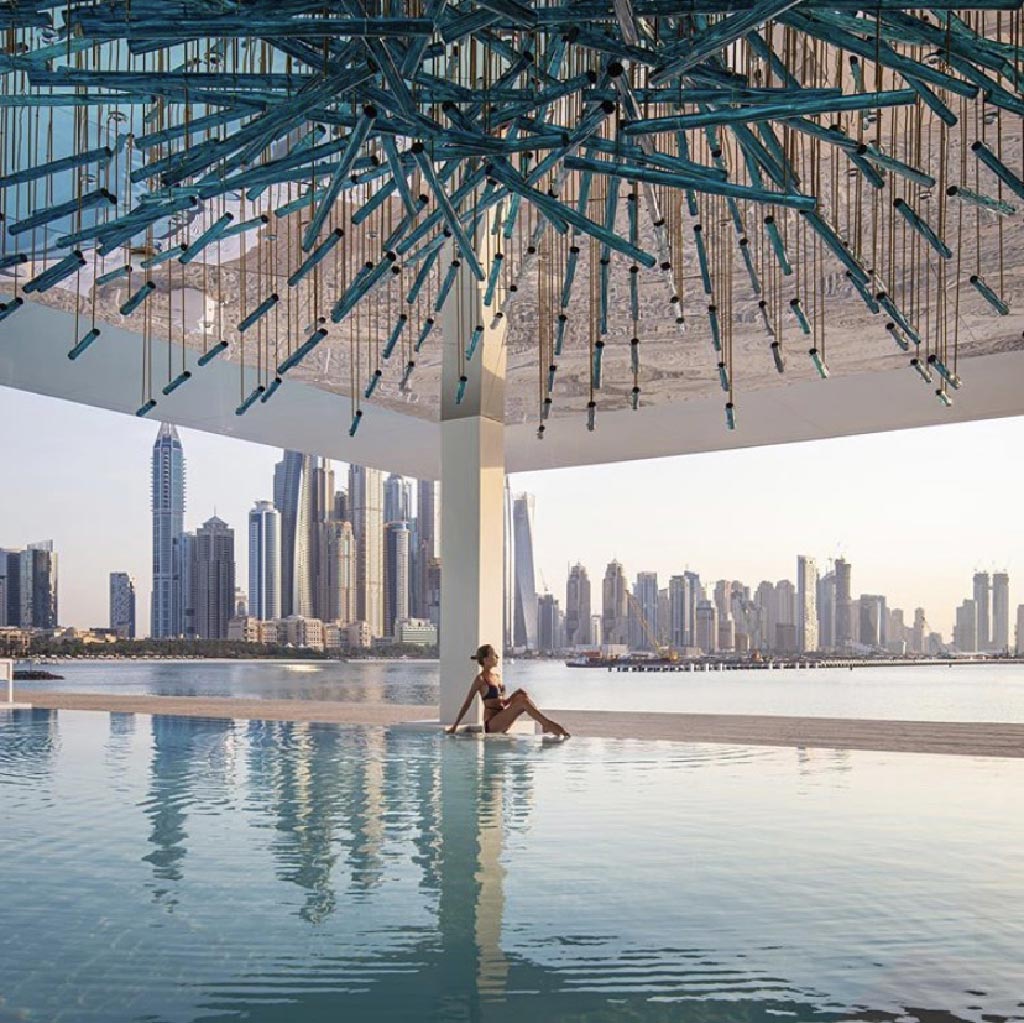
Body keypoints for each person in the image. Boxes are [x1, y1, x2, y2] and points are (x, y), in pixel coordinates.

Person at [446, 644, 570, 738]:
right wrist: (455, 726)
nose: (497, 657)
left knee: (522, 695)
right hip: (492, 724)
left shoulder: (497, 677)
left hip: (502, 717)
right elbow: (467, 703)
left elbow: (503, 703)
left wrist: (514, 696)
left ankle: (545, 724)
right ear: (485, 659)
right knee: (522, 703)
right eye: (494, 655)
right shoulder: (480, 679)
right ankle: (546, 724)